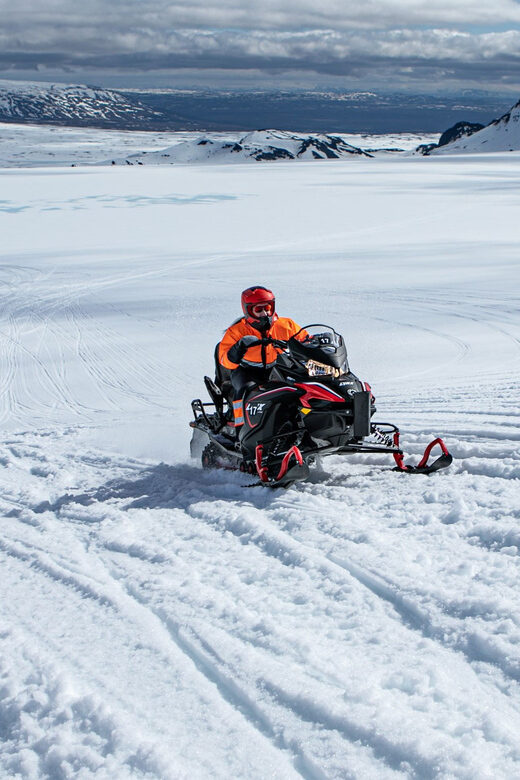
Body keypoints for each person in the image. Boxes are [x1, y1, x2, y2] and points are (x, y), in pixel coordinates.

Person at [218, 286, 307, 428]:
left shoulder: (285, 325)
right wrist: (239, 347)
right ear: (248, 310)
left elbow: (306, 339)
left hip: (276, 368)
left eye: (268, 308)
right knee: (244, 389)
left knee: (296, 387)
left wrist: (318, 343)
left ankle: (298, 423)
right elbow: (224, 359)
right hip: (247, 371)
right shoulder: (237, 331)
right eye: (258, 310)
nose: (265, 313)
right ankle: (240, 427)